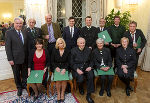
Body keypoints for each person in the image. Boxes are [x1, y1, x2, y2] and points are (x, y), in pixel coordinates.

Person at [5, 17, 28, 96]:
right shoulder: (9, 33)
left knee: (24, 73)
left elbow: (26, 45)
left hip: (25, 58)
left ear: (22, 24)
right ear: (14, 24)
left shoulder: (24, 31)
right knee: (17, 74)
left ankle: (24, 85)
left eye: (20, 23)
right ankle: (19, 88)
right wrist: (10, 59)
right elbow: (7, 47)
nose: (19, 25)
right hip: (15, 59)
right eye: (17, 23)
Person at [71, 37, 94, 103]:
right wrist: (77, 69)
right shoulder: (73, 50)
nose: (83, 44)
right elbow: (71, 62)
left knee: (91, 76)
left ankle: (89, 95)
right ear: (77, 43)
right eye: (81, 43)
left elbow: (92, 60)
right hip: (77, 68)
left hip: (87, 67)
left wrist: (90, 66)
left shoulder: (88, 50)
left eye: (83, 43)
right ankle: (80, 87)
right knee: (80, 79)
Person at [51, 38, 70, 102]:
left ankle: (62, 93)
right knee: (58, 80)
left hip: (65, 67)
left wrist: (65, 69)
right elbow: (52, 61)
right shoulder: (54, 50)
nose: (60, 45)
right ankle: (58, 94)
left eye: (61, 43)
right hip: (57, 67)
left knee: (64, 80)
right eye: (58, 43)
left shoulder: (67, 50)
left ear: (63, 43)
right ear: (57, 44)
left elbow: (68, 61)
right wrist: (56, 67)